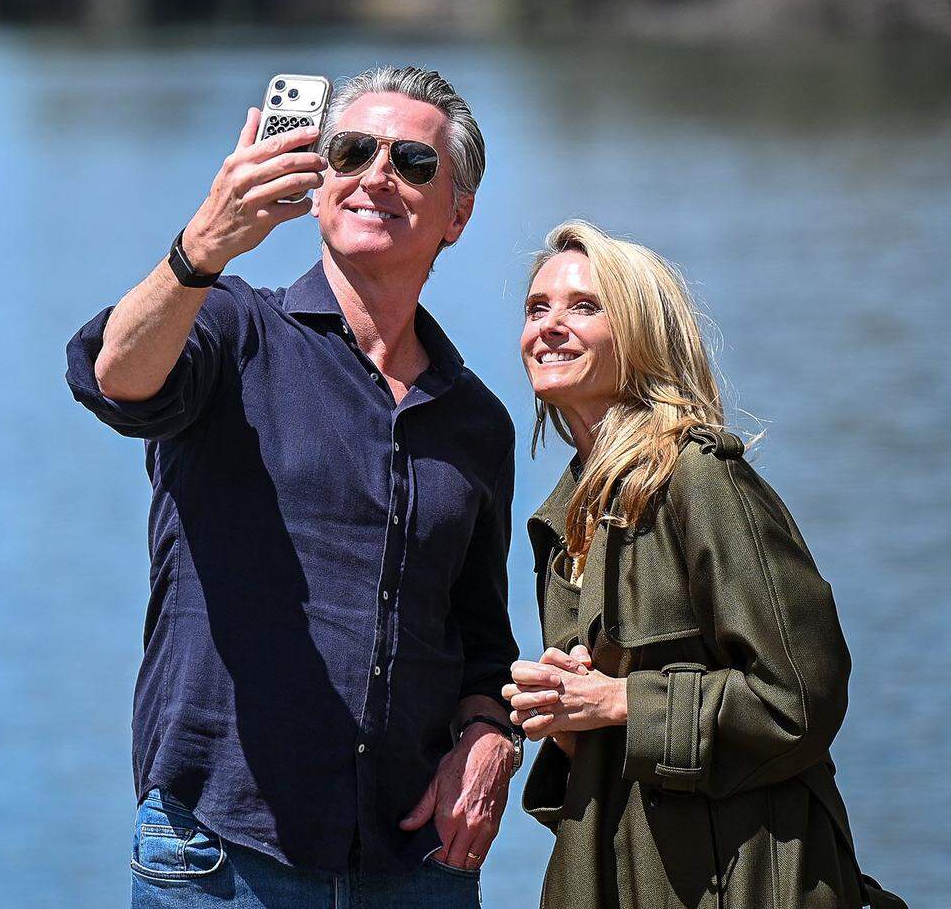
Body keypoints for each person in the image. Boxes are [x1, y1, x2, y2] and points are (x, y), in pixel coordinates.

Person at [65, 66, 522, 908]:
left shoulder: (477, 422)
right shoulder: (230, 327)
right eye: (351, 151)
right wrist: (200, 248)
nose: (377, 175)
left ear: (457, 215)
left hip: (415, 863)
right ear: (318, 183)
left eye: (414, 162)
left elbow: (481, 637)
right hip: (223, 854)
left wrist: (491, 734)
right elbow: (115, 378)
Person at [503, 221, 905, 909]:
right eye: (537, 307)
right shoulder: (565, 516)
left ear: (642, 336)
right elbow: (617, 744)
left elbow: (801, 697)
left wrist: (620, 699)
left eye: (584, 307)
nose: (550, 326)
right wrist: (568, 724)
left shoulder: (701, 479)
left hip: (745, 882)